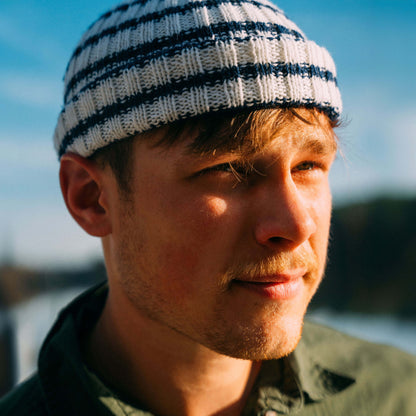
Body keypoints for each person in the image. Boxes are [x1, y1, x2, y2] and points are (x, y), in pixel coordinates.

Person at [1, 0, 415, 414]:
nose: (296, 223)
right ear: (91, 197)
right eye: (229, 168)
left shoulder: (398, 395)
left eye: (308, 166)